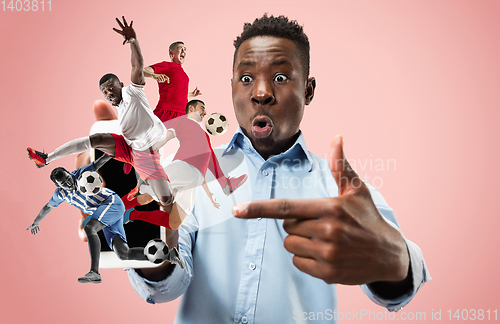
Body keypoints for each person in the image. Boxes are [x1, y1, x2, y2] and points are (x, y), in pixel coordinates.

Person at [132, 14, 429, 323]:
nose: (261, 93)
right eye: (246, 78)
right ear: (232, 87)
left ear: (308, 91)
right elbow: (167, 285)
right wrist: (141, 232)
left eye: (280, 77)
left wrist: (395, 260)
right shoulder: (190, 172)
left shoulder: (337, 188)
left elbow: (396, 267)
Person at [27, 17, 175, 209]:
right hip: (131, 148)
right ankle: (47, 159)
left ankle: (150, 189)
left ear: (120, 84)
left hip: (148, 155)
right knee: (96, 139)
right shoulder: (119, 108)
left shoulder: (133, 91)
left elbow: (137, 66)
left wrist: (133, 42)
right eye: (104, 92)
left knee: (167, 200)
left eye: (110, 87)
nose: (108, 93)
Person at [26, 154, 184, 284]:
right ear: (58, 185)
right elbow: (48, 206)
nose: (69, 183)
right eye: (64, 183)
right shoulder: (60, 195)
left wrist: (116, 150)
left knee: (89, 227)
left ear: (69, 173)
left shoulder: (81, 174)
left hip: (112, 203)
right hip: (106, 216)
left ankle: (94, 271)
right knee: (123, 254)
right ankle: (169, 255)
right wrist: (36, 221)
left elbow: (99, 162)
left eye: (68, 178)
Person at [129, 99, 248, 230]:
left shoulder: (204, 135)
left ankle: (133, 215)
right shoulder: (181, 121)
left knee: (174, 223)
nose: (205, 112)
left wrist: (210, 193)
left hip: (195, 178)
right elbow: (164, 139)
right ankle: (122, 207)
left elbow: (209, 161)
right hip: (183, 166)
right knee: (147, 195)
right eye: (202, 108)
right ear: (191, 108)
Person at [143, 41, 202, 123]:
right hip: (167, 112)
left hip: (182, 114)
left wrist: (191, 94)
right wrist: (154, 75)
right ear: (172, 53)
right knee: (149, 135)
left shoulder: (182, 72)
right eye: (180, 49)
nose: (183, 51)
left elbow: (176, 92)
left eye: (185, 49)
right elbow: (141, 71)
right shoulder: (167, 65)